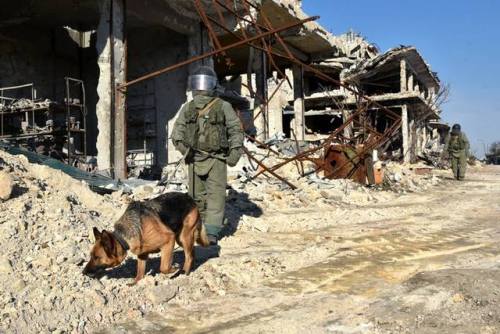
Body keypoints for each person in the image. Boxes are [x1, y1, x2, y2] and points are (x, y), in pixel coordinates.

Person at [171, 66, 244, 245]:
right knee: (209, 196)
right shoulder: (217, 106)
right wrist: (234, 153)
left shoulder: (196, 107)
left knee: (203, 195)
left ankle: (204, 230)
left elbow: (176, 135)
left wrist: (185, 151)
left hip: (204, 159)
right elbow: (236, 130)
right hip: (207, 159)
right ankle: (206, 231)